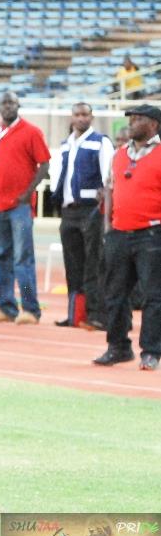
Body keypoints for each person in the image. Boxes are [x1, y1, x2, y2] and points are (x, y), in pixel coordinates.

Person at [93, 104, 161, 371]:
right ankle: (118, 346)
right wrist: (107, 225)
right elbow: (110, 188)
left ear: (153, 125)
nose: (131, 123)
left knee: (153, 295)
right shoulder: (120, 154)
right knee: (115, 293)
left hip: (152, 233)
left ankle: (151, 350)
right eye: (131, 119)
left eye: (137, 119)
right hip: (119, 233)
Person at [0, 92, 50, 325]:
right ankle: (5, 305)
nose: (7, 106)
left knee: (23, 259)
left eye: (11, 102)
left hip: (19, 207)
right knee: (0, 257)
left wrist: (28, 192)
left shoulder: (31, 132)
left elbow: (44, 164)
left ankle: (30, 308)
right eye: (3, 103)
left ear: (18, 105)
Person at [51, 102, 113, 329]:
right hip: (68, 211)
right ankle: (75, 314)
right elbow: (59, 176)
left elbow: (109, 175)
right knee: (72, 264)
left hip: (91, 210)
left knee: (93, 263)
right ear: (71, 117)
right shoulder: (65, 145)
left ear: (91, 117)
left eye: (85, 114)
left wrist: (104, 201)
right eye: (77, 114)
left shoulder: (100, 142)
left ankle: (96, 314)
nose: (81, 118)